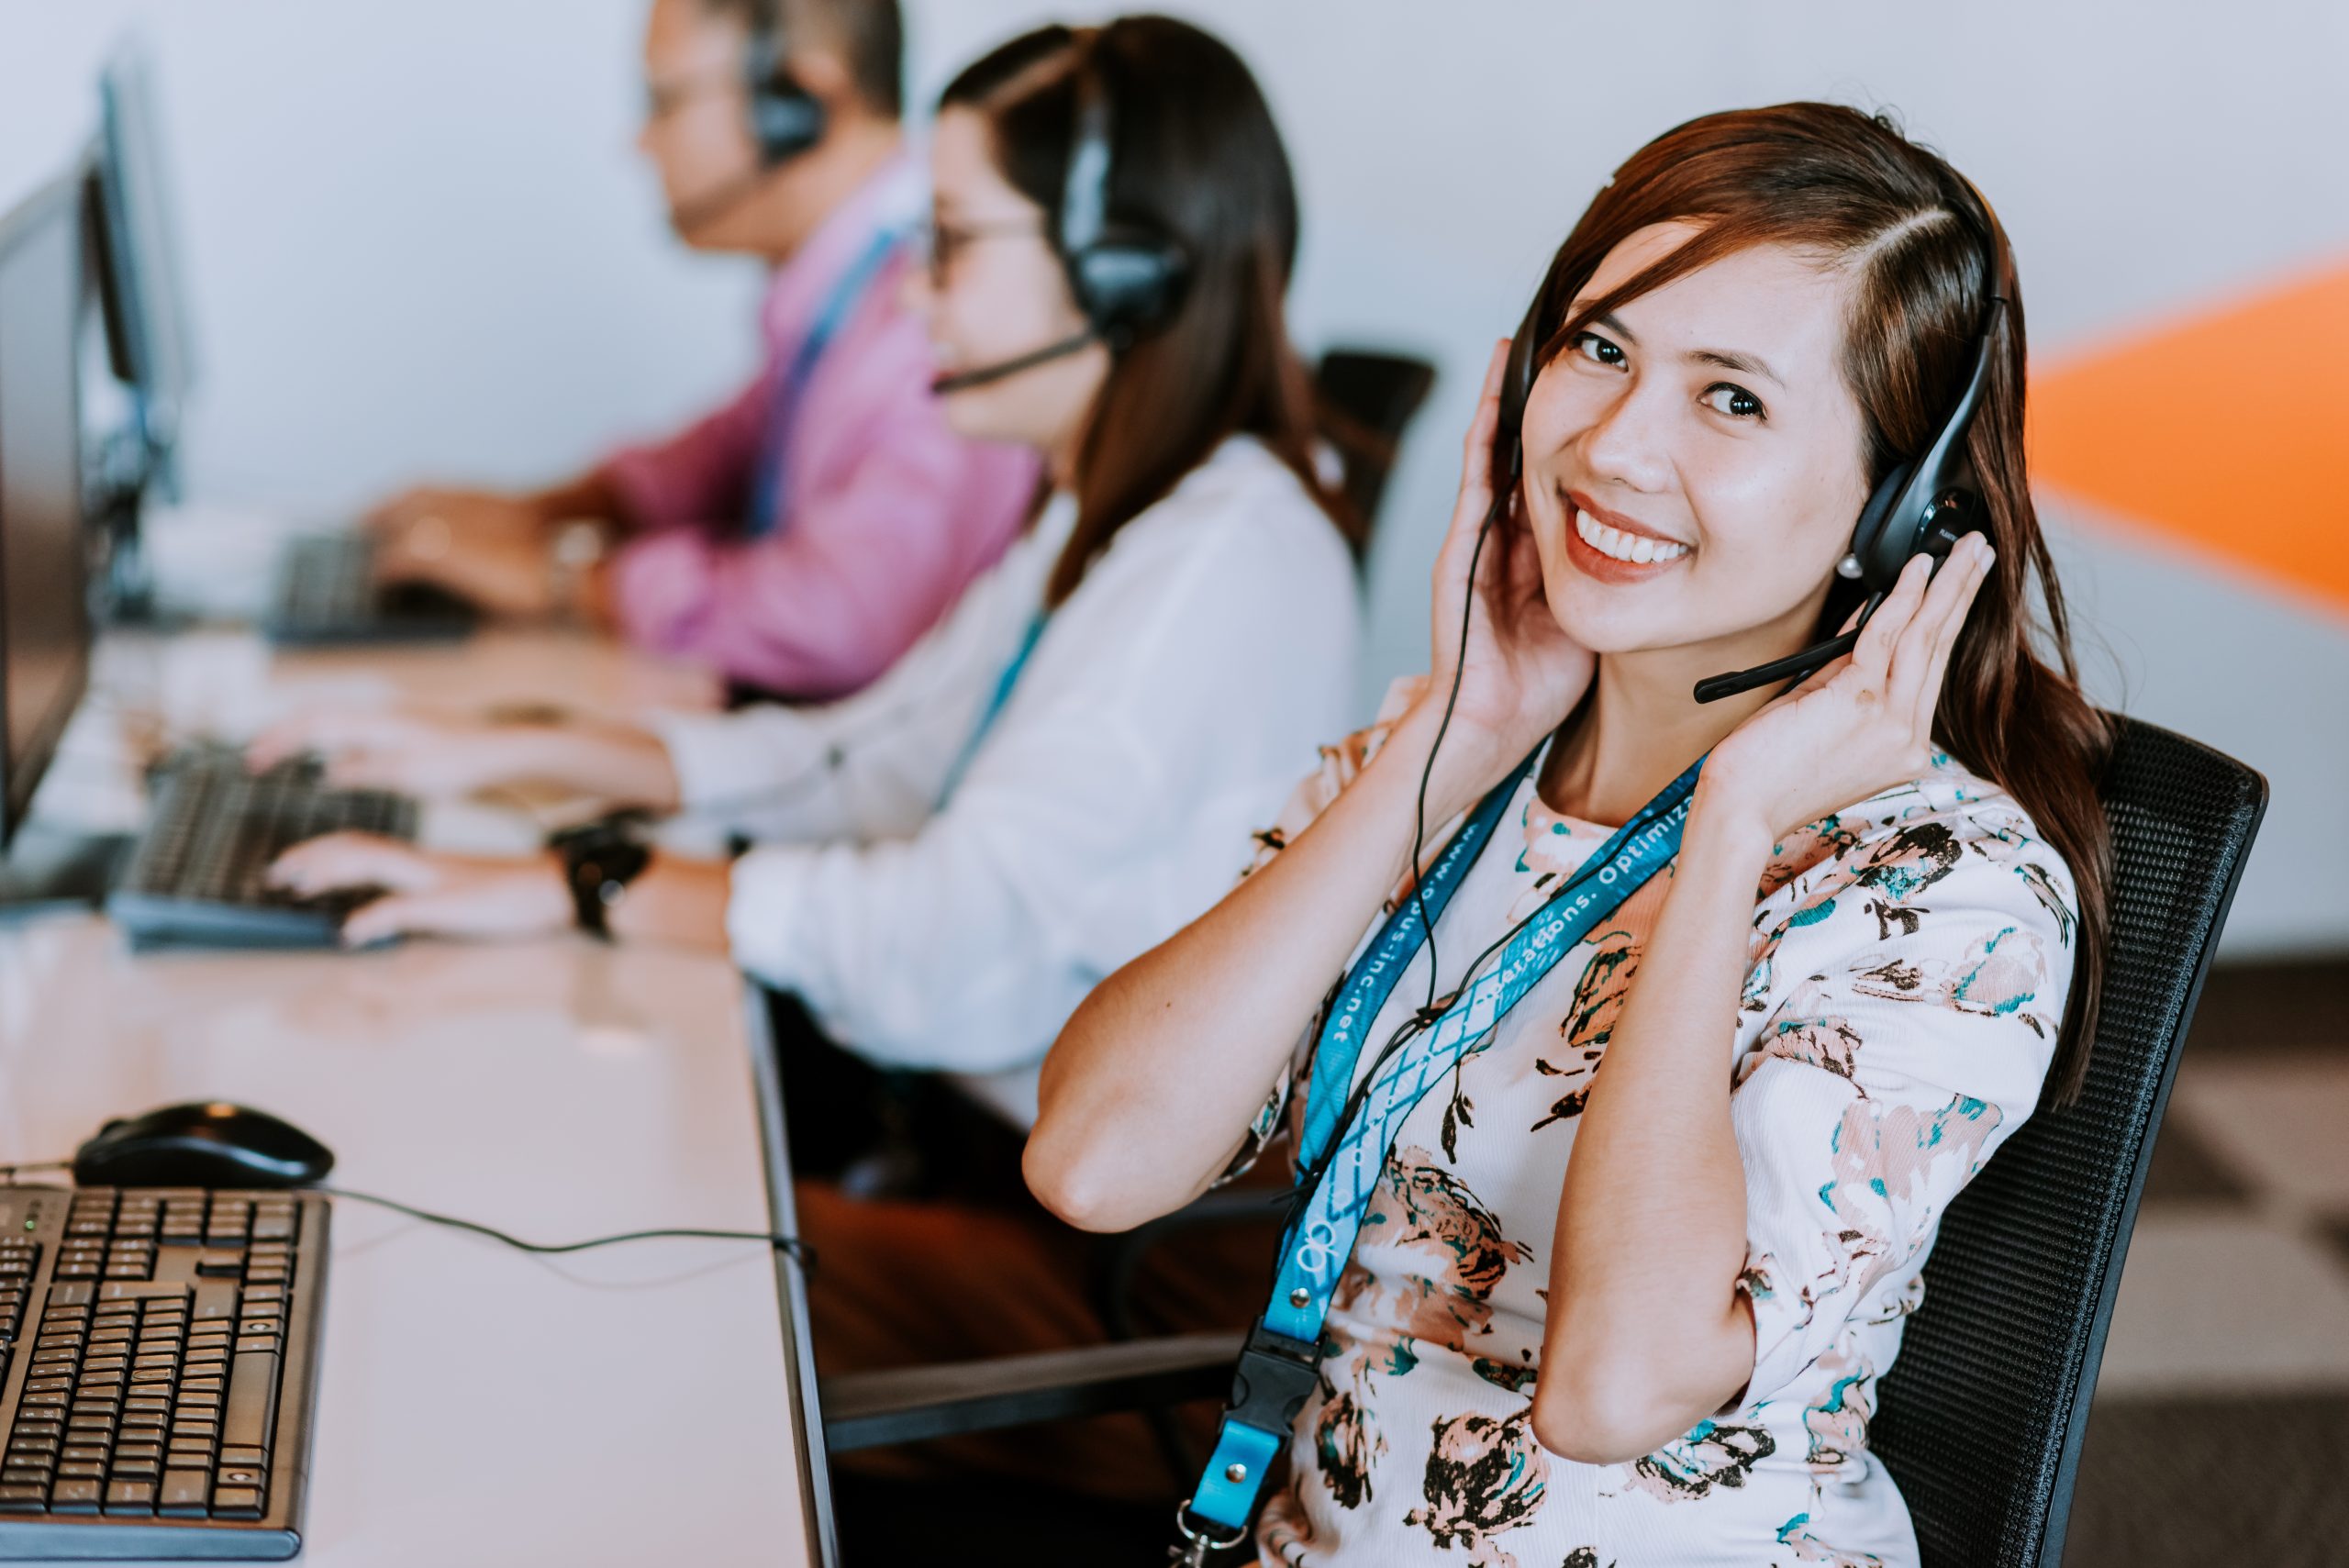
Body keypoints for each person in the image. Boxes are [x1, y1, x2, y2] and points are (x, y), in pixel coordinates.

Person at [262, 15, 1363, 1500]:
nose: (916, 301)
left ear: (1127, 280)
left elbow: (940, 931)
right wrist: (506, 753)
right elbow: (865, 758)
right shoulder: (1114, 513)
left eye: (956, 247)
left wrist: (581, 884)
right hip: (982, 1167)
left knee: (566, 1246)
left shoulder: (1211, 568)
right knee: (528, 1167)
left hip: (1092, 1265)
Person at [1027, 104, 2114, 1565]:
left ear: (1896, 504)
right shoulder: (1448, 761)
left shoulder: (1943, 893)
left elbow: (1613, 1388)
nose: (1612, 447)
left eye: (1731, 400)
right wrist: (1450, 742)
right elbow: (1097, 1163)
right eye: (1599, 350)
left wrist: (1725, 836)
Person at [365, 0, 1039, 700]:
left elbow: (843, 618)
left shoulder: (928, 317)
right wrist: (537, 514)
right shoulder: (843, 296)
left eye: (663, 100)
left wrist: (566, 581)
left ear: (801, 103)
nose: (641, 143)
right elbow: (726, 456)